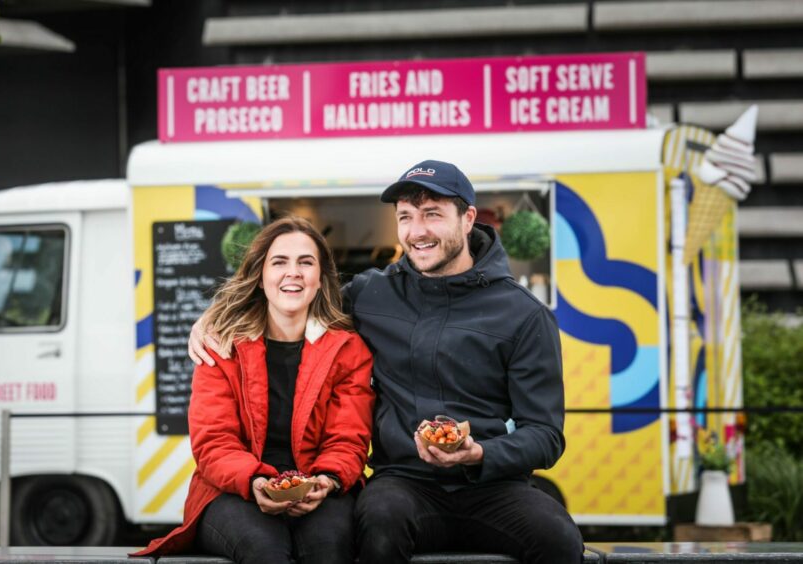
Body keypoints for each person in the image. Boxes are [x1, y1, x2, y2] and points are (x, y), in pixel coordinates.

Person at [189, 160, 584, 564]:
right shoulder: (370, 294)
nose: (417, 231)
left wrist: (479, 453)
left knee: (561, 539)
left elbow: (545, 436)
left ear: (467, 219)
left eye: (432, 214)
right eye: (406, 217)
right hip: (404, 483)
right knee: (376, 523)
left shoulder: (525, 315)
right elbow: (293, 297)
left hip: (496, 486)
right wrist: (212, 318)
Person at [133, 216, 375, 564]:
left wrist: (327, 479)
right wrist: (257, 482)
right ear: (260, 277)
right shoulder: (220, 346)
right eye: (279, 262)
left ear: (320, 280)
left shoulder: (348, 350)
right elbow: (214, 442)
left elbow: (348, 438)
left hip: (319, 487)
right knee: (265, 549)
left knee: (329, 548)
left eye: (305, 263)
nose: (293, 272)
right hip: (234, 491)